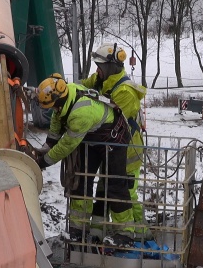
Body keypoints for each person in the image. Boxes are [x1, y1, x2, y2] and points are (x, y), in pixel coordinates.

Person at [35, 73, 135, 247]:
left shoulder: (80, 114)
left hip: (114, 137)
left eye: (53, 106)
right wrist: (49, 143)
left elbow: (66, 145)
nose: (52, 109)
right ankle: (77, 230)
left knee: (115, 184)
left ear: (59, 100)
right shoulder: (68, 93)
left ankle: (125, 233)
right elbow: (57, 119)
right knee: (81, 180)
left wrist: (43, 162)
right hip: (93, 136)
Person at [81, 43, 152, 240]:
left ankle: (140, 234)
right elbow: (82, 86)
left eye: (100, 66)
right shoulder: (101, 80)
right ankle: (99, 230)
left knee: (126, 194)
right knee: (105, 190)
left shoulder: (125, 92)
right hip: (110, 152)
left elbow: (108, 119)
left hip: (127, 154)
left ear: (111, 67)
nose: (97, 70)